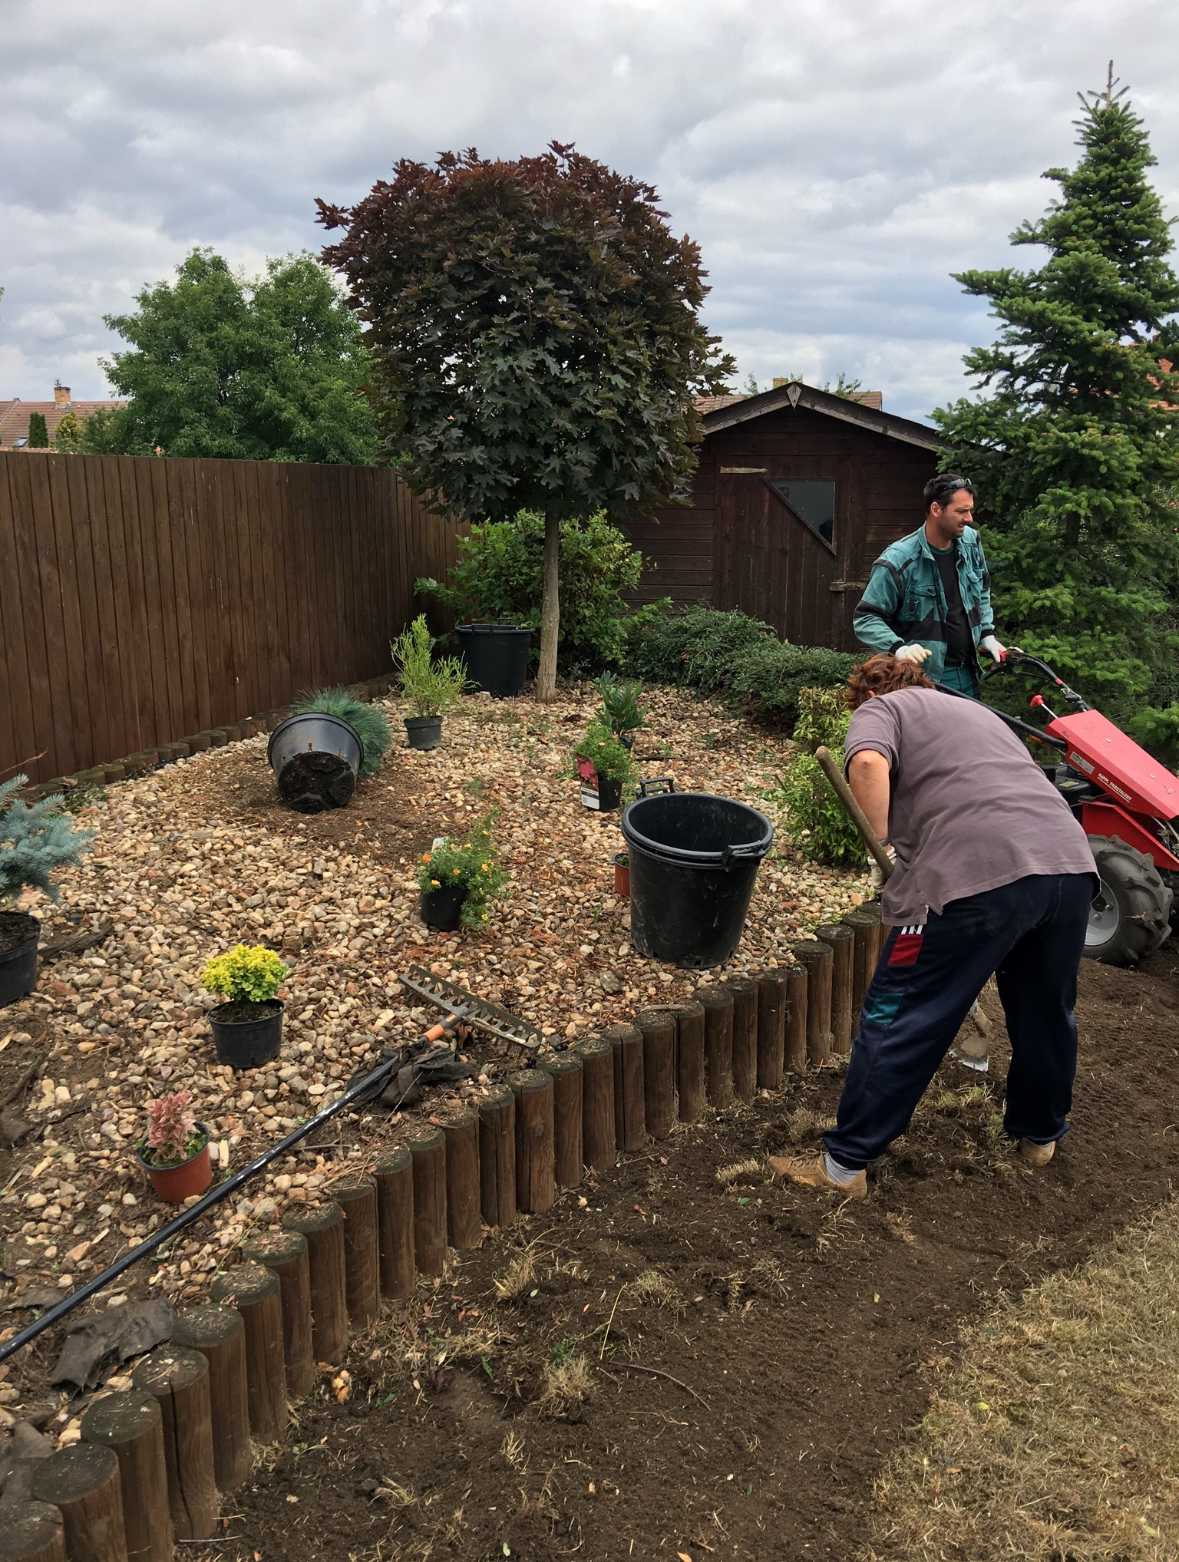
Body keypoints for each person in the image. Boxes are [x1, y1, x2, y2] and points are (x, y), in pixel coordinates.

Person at [771, 653, 1097, 1198]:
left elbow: (870, 764)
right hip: (1068, 869)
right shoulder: (975, 713)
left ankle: (843, 1167)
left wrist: (884, 845)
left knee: (897, 1014)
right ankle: (1039, 1138)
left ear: (869, 694)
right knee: (1047, 1012)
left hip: (975, 882)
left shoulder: (884, 708)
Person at [852, 474, 1006, 696]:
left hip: (969, 673)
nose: (969, 518)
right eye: (961, 511)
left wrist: (987, 634)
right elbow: (866, 618)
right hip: (922, 682)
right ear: (936, 509)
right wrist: (898, 648)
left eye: (970, 510)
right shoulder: (898, 561)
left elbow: (981, 590)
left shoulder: (971, 542)